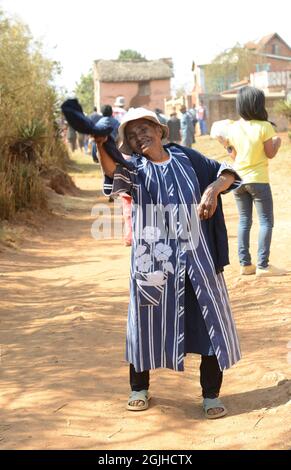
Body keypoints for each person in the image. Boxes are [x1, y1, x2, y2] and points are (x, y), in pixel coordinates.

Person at [95, 107, 242, 419]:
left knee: (209, 323)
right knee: (145, 324)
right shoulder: (132, 167)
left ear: (160, 130)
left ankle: (211, 395)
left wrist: (213, 190)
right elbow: (110, 173)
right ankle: (139, 389)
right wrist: (99, 143)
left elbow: (227, 172)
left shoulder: (188, 158)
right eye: (132, 136)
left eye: (145, 129)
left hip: (199, 259)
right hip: (153, 262)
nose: (139, 137)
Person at [218, 86, 284, 277]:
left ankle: (245, 264)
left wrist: (227, 146)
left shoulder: (233, 127)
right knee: (265, 222)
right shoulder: (265, 127)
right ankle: (263, 265)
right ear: (258, 105)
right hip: (259, 180)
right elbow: (270, 154)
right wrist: (278, 142)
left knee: (244, 221)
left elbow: (234, 156)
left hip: (238, 181)